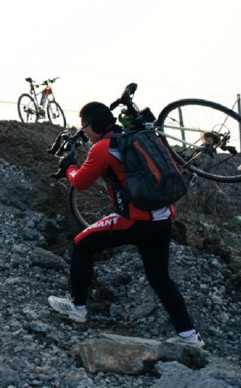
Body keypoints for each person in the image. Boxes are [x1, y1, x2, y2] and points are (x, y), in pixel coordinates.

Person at [48, 102, 203, 347]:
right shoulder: (135, 136)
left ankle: (77, 308)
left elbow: (80, 182)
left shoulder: (103, 148)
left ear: (95, 125)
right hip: (162, 218)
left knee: (82, 243)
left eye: (85, 127)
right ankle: (189, 336)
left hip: (133, 219)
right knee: (160, 278)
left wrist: (69, 167)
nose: (85, 132)